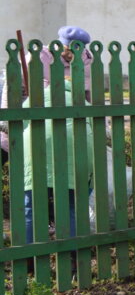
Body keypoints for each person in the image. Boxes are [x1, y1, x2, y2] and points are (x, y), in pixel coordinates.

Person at [2, 26, 94, 160]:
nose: (72, 55)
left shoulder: (86, 63)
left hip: (64, 121)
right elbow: (12, 85)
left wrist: (99, 121)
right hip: (28, 113)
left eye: (77, 50)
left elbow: (88, 96)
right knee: (7, 147)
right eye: (68, 50)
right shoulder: (39, 57)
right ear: (60, 45)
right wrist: (6, 116)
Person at [22, 83, 94, 244]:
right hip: (76, 154)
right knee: (71, 208)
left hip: (37, 152)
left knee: (32, 208)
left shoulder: (37, 97)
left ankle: (28, 258)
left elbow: (20, 123)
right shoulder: (81, 101)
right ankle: (72, 258)